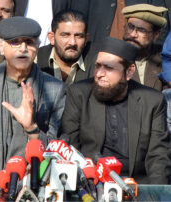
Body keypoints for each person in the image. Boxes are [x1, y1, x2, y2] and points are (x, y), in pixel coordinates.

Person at [60, 37, 171, 184]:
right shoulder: (79, 94)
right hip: (91, 184)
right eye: (98, 66)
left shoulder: (152, 101)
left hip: (137, 186)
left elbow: (159, 157)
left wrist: (156, 196)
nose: (99, 74)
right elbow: (70, 148)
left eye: (109, 68)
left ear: (129, 72)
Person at [0, 17, 65, 181]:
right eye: (15, 42)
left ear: (37, 47)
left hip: (34, 184)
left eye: (29, 42)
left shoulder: (54, 89)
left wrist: (31, 128)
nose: (23, 49)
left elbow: (55, 151)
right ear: (1, 46)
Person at [37, 9, 94, 86]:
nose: (72, 42)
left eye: (79, 36)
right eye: (65, 35)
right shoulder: (35, 60)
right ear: (52, 38)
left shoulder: (97, 64)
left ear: (86, 39)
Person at [122, 4, 168, 91]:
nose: (133, 34)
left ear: (156, 35)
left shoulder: (164, 59)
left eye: (141, 30)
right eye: (130, 27)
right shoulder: (112, 58)